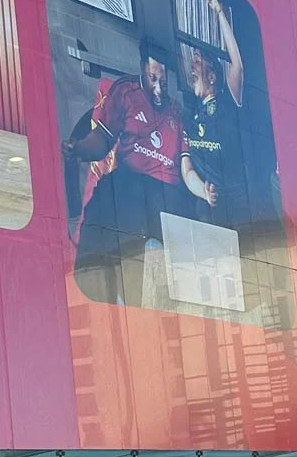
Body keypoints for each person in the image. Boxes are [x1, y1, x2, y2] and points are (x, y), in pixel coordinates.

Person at [65, 44, 220, 298]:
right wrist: (78, 149)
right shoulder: (125, 94)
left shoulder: (178, 115)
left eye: (164, 82)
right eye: (153, 79)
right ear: (142, 71)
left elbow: (186, 170)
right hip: (128, 188)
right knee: (106, 204)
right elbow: (101, 141)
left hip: (167, 198)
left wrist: (203, 191)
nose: (159, 89)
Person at [179, 0, 246, 224]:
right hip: (205, 206)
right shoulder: (190, 116)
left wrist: (219, 12)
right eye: (192, 61)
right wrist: (203, 192)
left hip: (236, 203)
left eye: (197, 60)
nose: (192, 66)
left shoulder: (228, 101)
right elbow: (187, 169)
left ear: (213, 77)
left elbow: (236, 63)